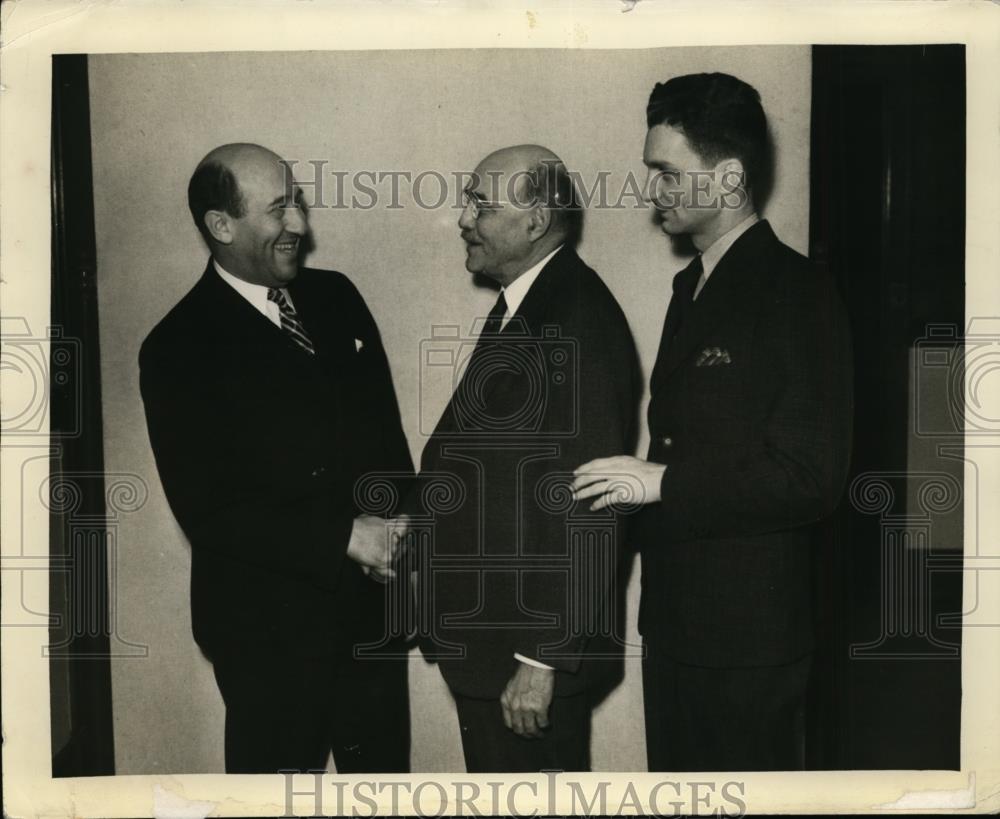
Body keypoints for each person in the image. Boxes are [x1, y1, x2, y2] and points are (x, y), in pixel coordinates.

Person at [572, 73, 854, 771]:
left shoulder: (797, 292)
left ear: (728, 178)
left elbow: (809, 477)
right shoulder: (692, 286)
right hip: (678, 629)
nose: (652, 192)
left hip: (749, 646)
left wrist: (662, 483)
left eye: (668, 174)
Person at [138, 143, 413, 774]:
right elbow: (207, 511)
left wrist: (401, 527)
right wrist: (345, 536)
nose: (299, 226)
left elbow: (384, 441)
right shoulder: (178, 346)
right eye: (278, 210)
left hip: (369, 616)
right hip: (267, 635)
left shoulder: (337, 297)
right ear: (221, 225)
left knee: (384, 790)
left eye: (298, 204)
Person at [411, 145, 639, 772]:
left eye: (481, 204)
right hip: (494, 650)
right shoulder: (530, 307)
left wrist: (542, 659)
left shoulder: (575, 320)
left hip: (524, 661)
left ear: (537, 221)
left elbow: (589, 502)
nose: (464, 219)